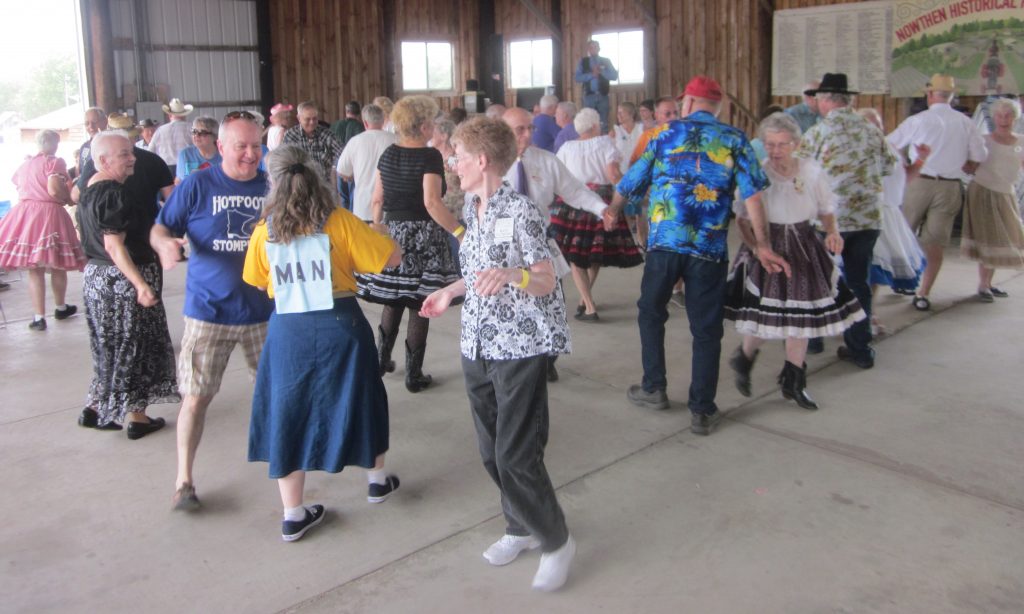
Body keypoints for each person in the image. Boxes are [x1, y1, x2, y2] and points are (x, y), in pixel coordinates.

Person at [420, 116, 576, 592]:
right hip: (477, 343)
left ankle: (556, 540)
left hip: (519, 346)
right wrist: (451, 291)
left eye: (459, 156)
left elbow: (546, 278)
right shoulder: (473, 204)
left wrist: (513, 276)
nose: (453, 163)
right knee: (491, 452)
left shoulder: (523, 211)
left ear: (481, 160)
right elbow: (482, 269)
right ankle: (520, 525)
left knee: (516, 453)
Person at [604, 76, 785, 436]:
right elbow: (753, 198)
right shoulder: (734, 140)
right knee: (706, 329)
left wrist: (612, 211)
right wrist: (763, 244)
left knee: (650, 313)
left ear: (686, 103)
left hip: (664, 246)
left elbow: (630, 183)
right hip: (708, 249)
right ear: (718, 108)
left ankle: (654, 387)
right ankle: (702, 409)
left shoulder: (664, 135)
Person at [242, 145, 403, 542]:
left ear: (273, 183)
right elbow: (391, 260)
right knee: (363, 398)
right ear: (316, 176)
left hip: (289, 331)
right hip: (341, 325)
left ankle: (294, 513)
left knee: (287, 409)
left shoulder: (264, 231)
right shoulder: (342, 221)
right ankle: (377, 480)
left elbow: (257, 280)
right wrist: (381, 233)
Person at [150, 111, 274, 510]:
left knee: (275, 393)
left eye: (257, 146)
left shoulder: (274, 186)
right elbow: (160, 227)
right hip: (208, 311)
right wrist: (164, 244)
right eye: (242, 146)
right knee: (196, 397)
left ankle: (288, 465)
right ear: (220, 147)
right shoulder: (197, 184)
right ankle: (184, 481)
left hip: (266, 312)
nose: (251, 154)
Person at [725, 113, 864, 409]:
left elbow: (826, 208)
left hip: (804, 246)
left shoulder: (812, 172)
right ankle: (745, 357)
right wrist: (756, 249)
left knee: (799, 321)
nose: (775, 151)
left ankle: (794, 382)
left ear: (796, 144)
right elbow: (742, 220)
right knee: (765, 318)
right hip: (769, 247)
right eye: (769, 144)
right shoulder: (757, 175)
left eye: (782, 144)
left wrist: (832, 232)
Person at [356, 95, 462, 393]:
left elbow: (376, 198)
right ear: (424, 124)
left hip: (393, 233)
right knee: (419, 302)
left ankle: (380, 360)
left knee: (393, 298)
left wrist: (379, 228)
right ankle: (413, 375)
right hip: (425, 235)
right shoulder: (429, 157)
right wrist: (461, 232)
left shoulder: (388, 154)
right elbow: (432, 202)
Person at [76, 130, 178, 436]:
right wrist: (140, 284)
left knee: (109, 346)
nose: (132, 158)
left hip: (96, 277)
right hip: (122, 279)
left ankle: (96, 407)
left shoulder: (89, 188)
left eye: (131, 152)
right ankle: (136, 416)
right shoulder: (113, 193)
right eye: (124, 154)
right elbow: (114, 246)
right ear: (103, 160)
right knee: (135, 345)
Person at [797, 73, 897, 370]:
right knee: (858, 282)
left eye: (819, 98)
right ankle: (860, 348)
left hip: (828, 222)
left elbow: (797, 174)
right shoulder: (871, 130)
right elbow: (889, 167)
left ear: (827, 100)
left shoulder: (818, 133)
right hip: (867, 219)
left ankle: (814, 339)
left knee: (816, 278)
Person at [502, 106, 609, 382]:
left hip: (541, 243)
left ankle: (548, 358)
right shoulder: (490, 163)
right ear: (503, 132)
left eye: (530, 128)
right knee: (511, 305)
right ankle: (516, 359)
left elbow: (574, 191)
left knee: (551, 303)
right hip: (506, 246)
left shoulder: (546, 160)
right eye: (520, 130)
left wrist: (601, 208)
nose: (528, 134)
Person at [886, 74, 987, 311]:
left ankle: (903, 282)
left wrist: (905, 164)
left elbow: (889, 144)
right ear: (951, 96)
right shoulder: (965, 122)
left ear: (930, 94)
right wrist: (969, 163)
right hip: (950, 185)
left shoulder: (918, 120)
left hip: (919, 181)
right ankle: (923, 293)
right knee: (936, 242)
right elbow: (981, 156)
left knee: (904, 233)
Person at [551, 108, 642, 320]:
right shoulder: (604, 143)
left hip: (569, 200)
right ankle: (589, 304)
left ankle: (586, 300)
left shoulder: (566, 147)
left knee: (576, 254)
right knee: (593, 252)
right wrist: (627, 190)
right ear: (594, 125)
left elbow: (559, 176)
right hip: (598, 200)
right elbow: (613, 174)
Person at [0, 129, 86, 330]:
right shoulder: (54, 162)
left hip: (25, 213)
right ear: (55, 144)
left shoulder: (25, 164)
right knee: (57, 264)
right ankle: (60, 306)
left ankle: (39, 317)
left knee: (34, 269)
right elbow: (54, 188)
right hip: (48, 213)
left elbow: (19, 185)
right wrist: (68, 198)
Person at [857, 108, 929, 329]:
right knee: (864, 270)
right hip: (865, 214)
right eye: (870, 125)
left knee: (877, 271)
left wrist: (920, 161)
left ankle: (868, 312)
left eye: (878, 125)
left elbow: (903, 178)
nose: (876, 130)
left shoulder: (891, 149)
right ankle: (861, 316)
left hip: (889, 213)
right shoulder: (855, 151)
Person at [960, 98, 1024, 300]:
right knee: (988, 236)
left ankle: (988, 283)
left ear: (1015, 117)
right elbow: (968, 166)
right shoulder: (984, 140)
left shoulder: (1021, 141)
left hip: (1007, 192)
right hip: (983, 190)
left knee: (1005, 237)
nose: (1004, 119)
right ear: (994, 117)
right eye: (1000, 115)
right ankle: (983, 285)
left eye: (1008, 115)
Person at [336, 104, 397, 222]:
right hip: (390, 208)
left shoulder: (355, 141)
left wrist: (352, 176)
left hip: (363, 208)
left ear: (365, 123)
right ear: (383, 119)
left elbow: (341, 170)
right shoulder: (396, 140)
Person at [283, 101, 342, 184]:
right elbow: (285, 162)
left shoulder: (327, 135)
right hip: (300, 186)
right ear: (299, 118)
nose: (312, 122)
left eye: (315, 118)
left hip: (324, 186)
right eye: (307, 119)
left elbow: (342, 156)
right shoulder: (290, 136)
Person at [574, 39, 618, 131]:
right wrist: (591, 75)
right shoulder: (583, 61)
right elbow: (577, 78)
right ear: (588, 49)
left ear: (599, 48)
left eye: (595, 47)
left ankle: (603, 142)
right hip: (589, 96)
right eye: (591, 47)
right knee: (588, 122)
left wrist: (601, 72)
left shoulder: (606, 61)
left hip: (603, 96)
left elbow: (614, 76)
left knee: (604, 122)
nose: (593, 49)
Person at [149, 98, 195, 176]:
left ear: (169, 115)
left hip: (165, 166)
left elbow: (150, 151)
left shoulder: (160, 130)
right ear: (184, 115)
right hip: (187, 165)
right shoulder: (192, 128)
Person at [175, 116, 222, 183]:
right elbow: (179, 182)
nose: (196, 135)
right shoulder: (185, 154)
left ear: (215, 136)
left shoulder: (224, 155)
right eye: (194, 131)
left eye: (202, 133)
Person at [77, 107, 107, 179]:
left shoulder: (113, 145)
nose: (91, 126)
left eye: (94, 122)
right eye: (87, 123)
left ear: (105, 121)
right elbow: (80, 171)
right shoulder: (84, 147)